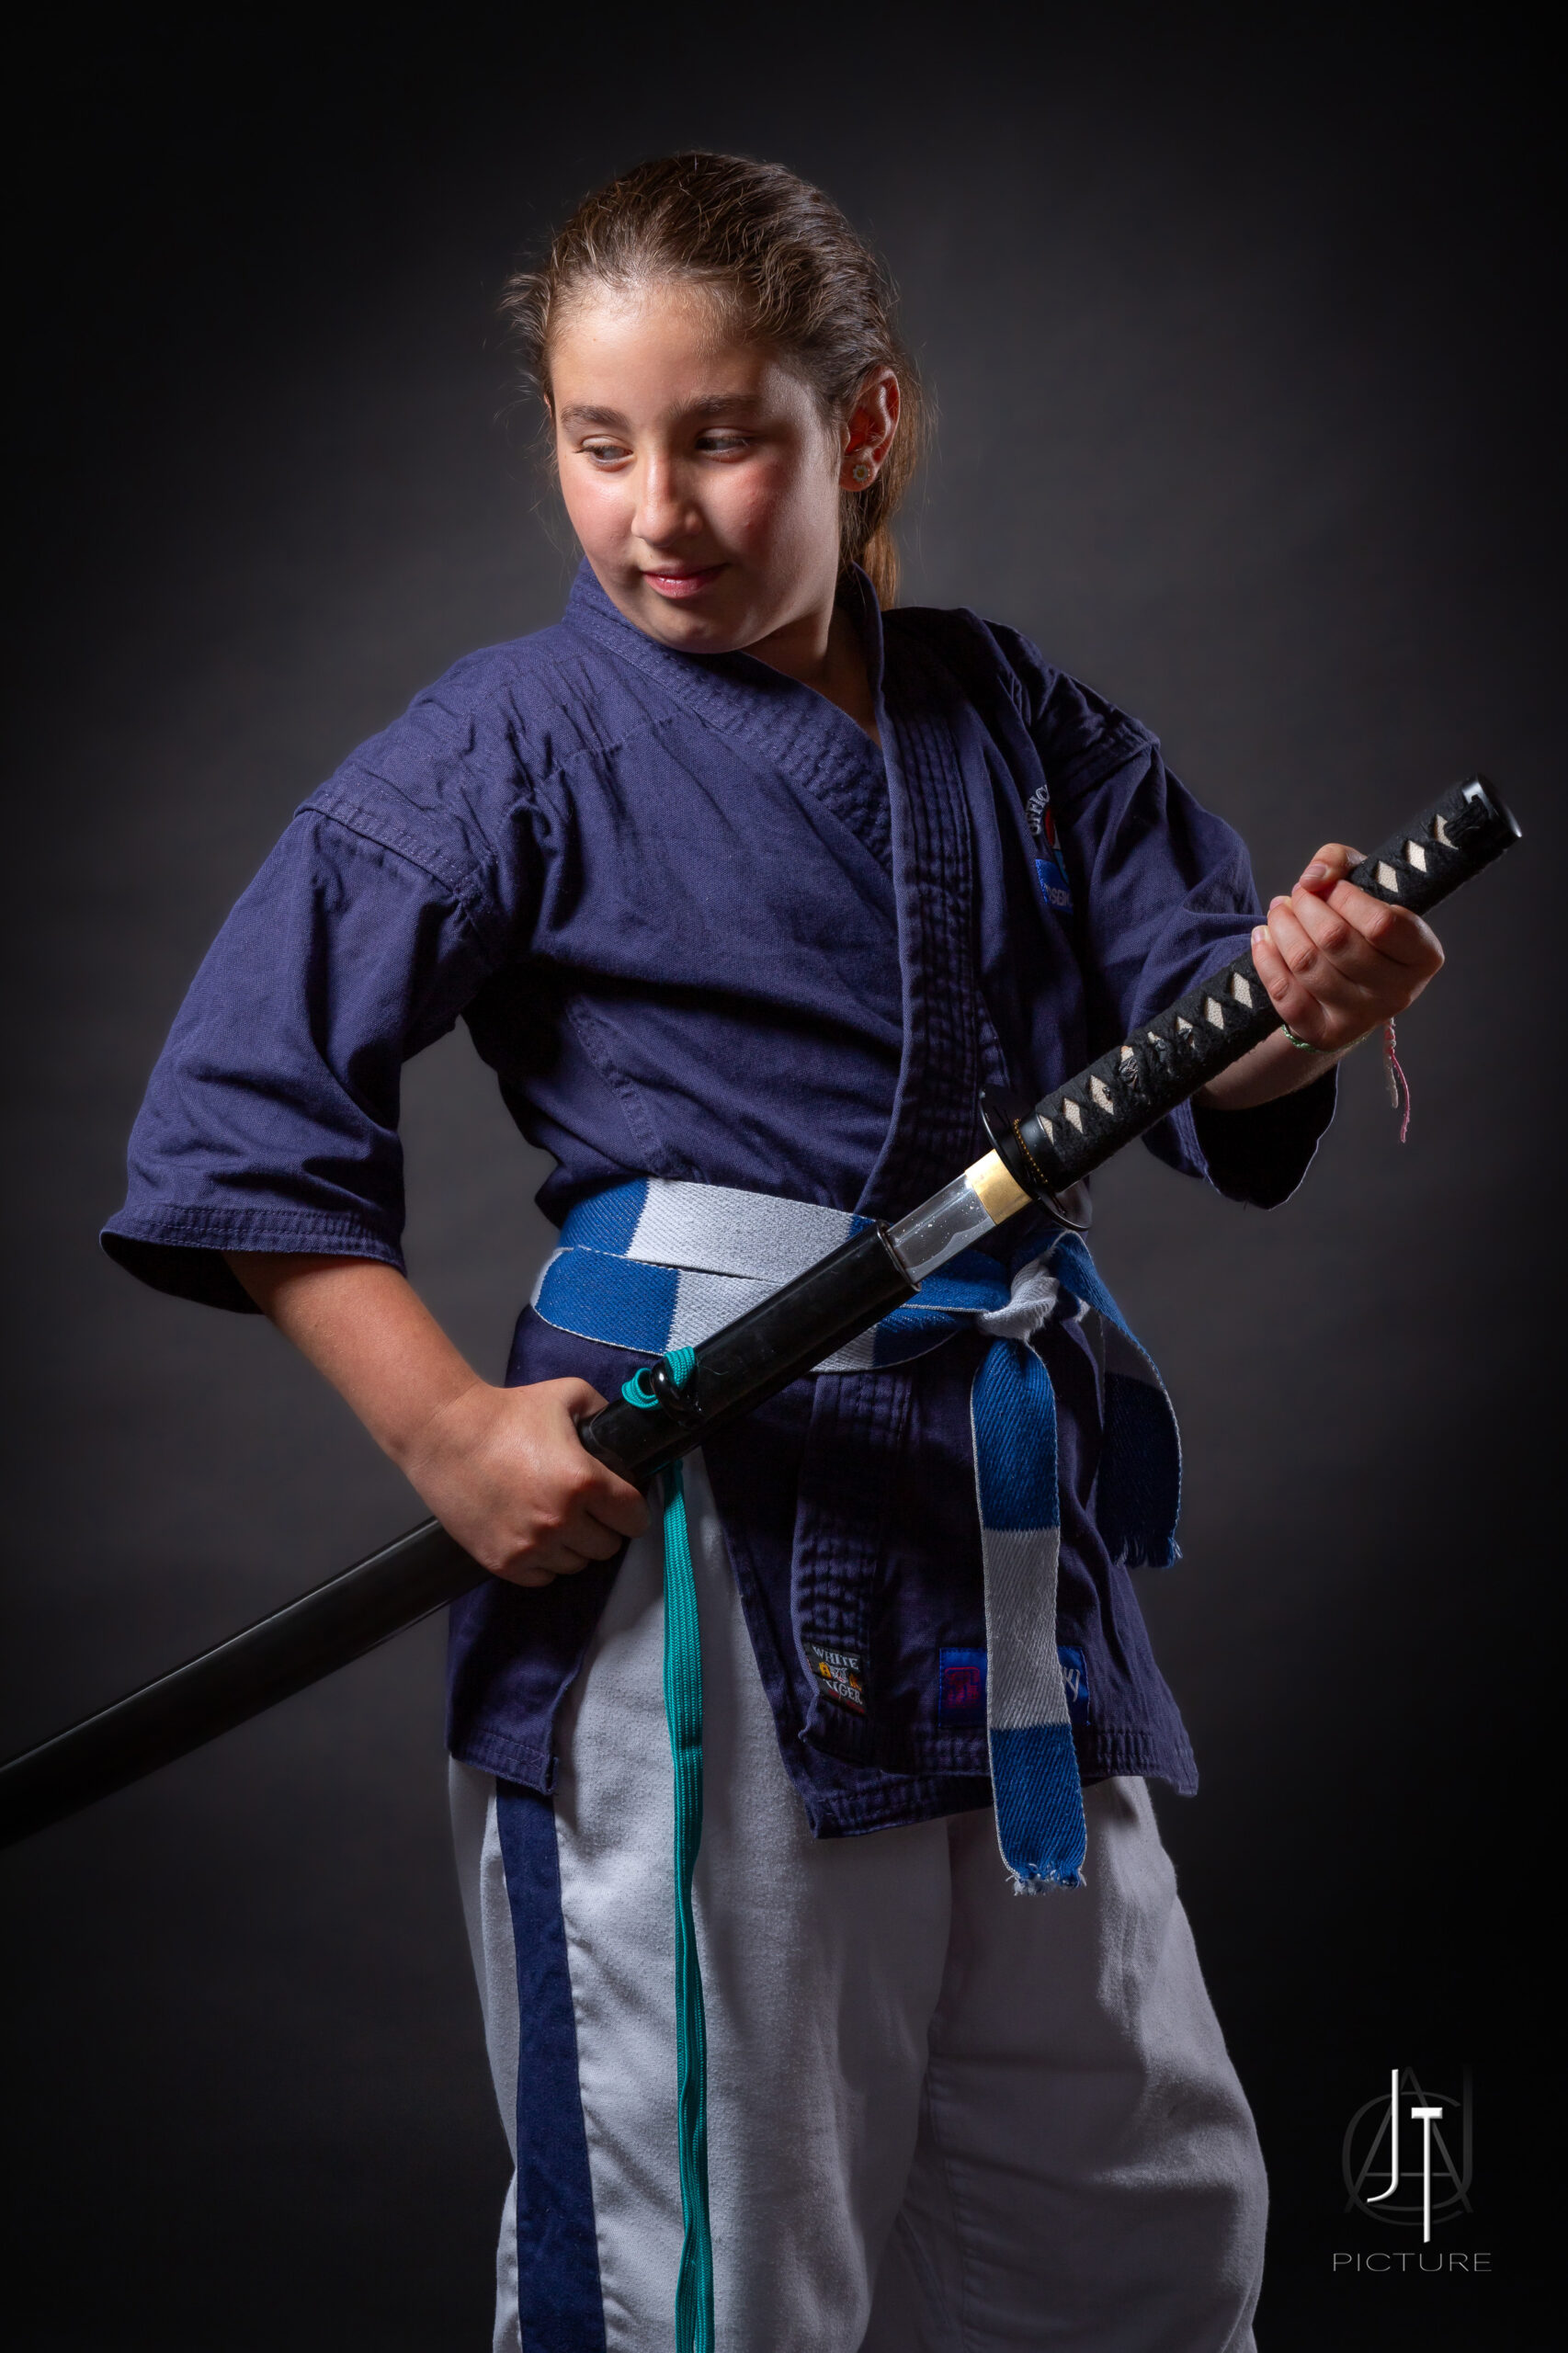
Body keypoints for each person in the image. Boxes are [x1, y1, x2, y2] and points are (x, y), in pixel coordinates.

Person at [102, 153, 1444, 2352]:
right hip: (700, 1521)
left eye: (720, 437)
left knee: (1136, 2237)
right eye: (596, 442)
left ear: (863, 423)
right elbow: (238, 1112)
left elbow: (1205, 1039)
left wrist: (1307, 998)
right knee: (707, 2258)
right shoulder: (508, 741)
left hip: (993, 1540)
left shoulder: (1009, 715)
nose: (655, 511)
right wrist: (444, 1433)